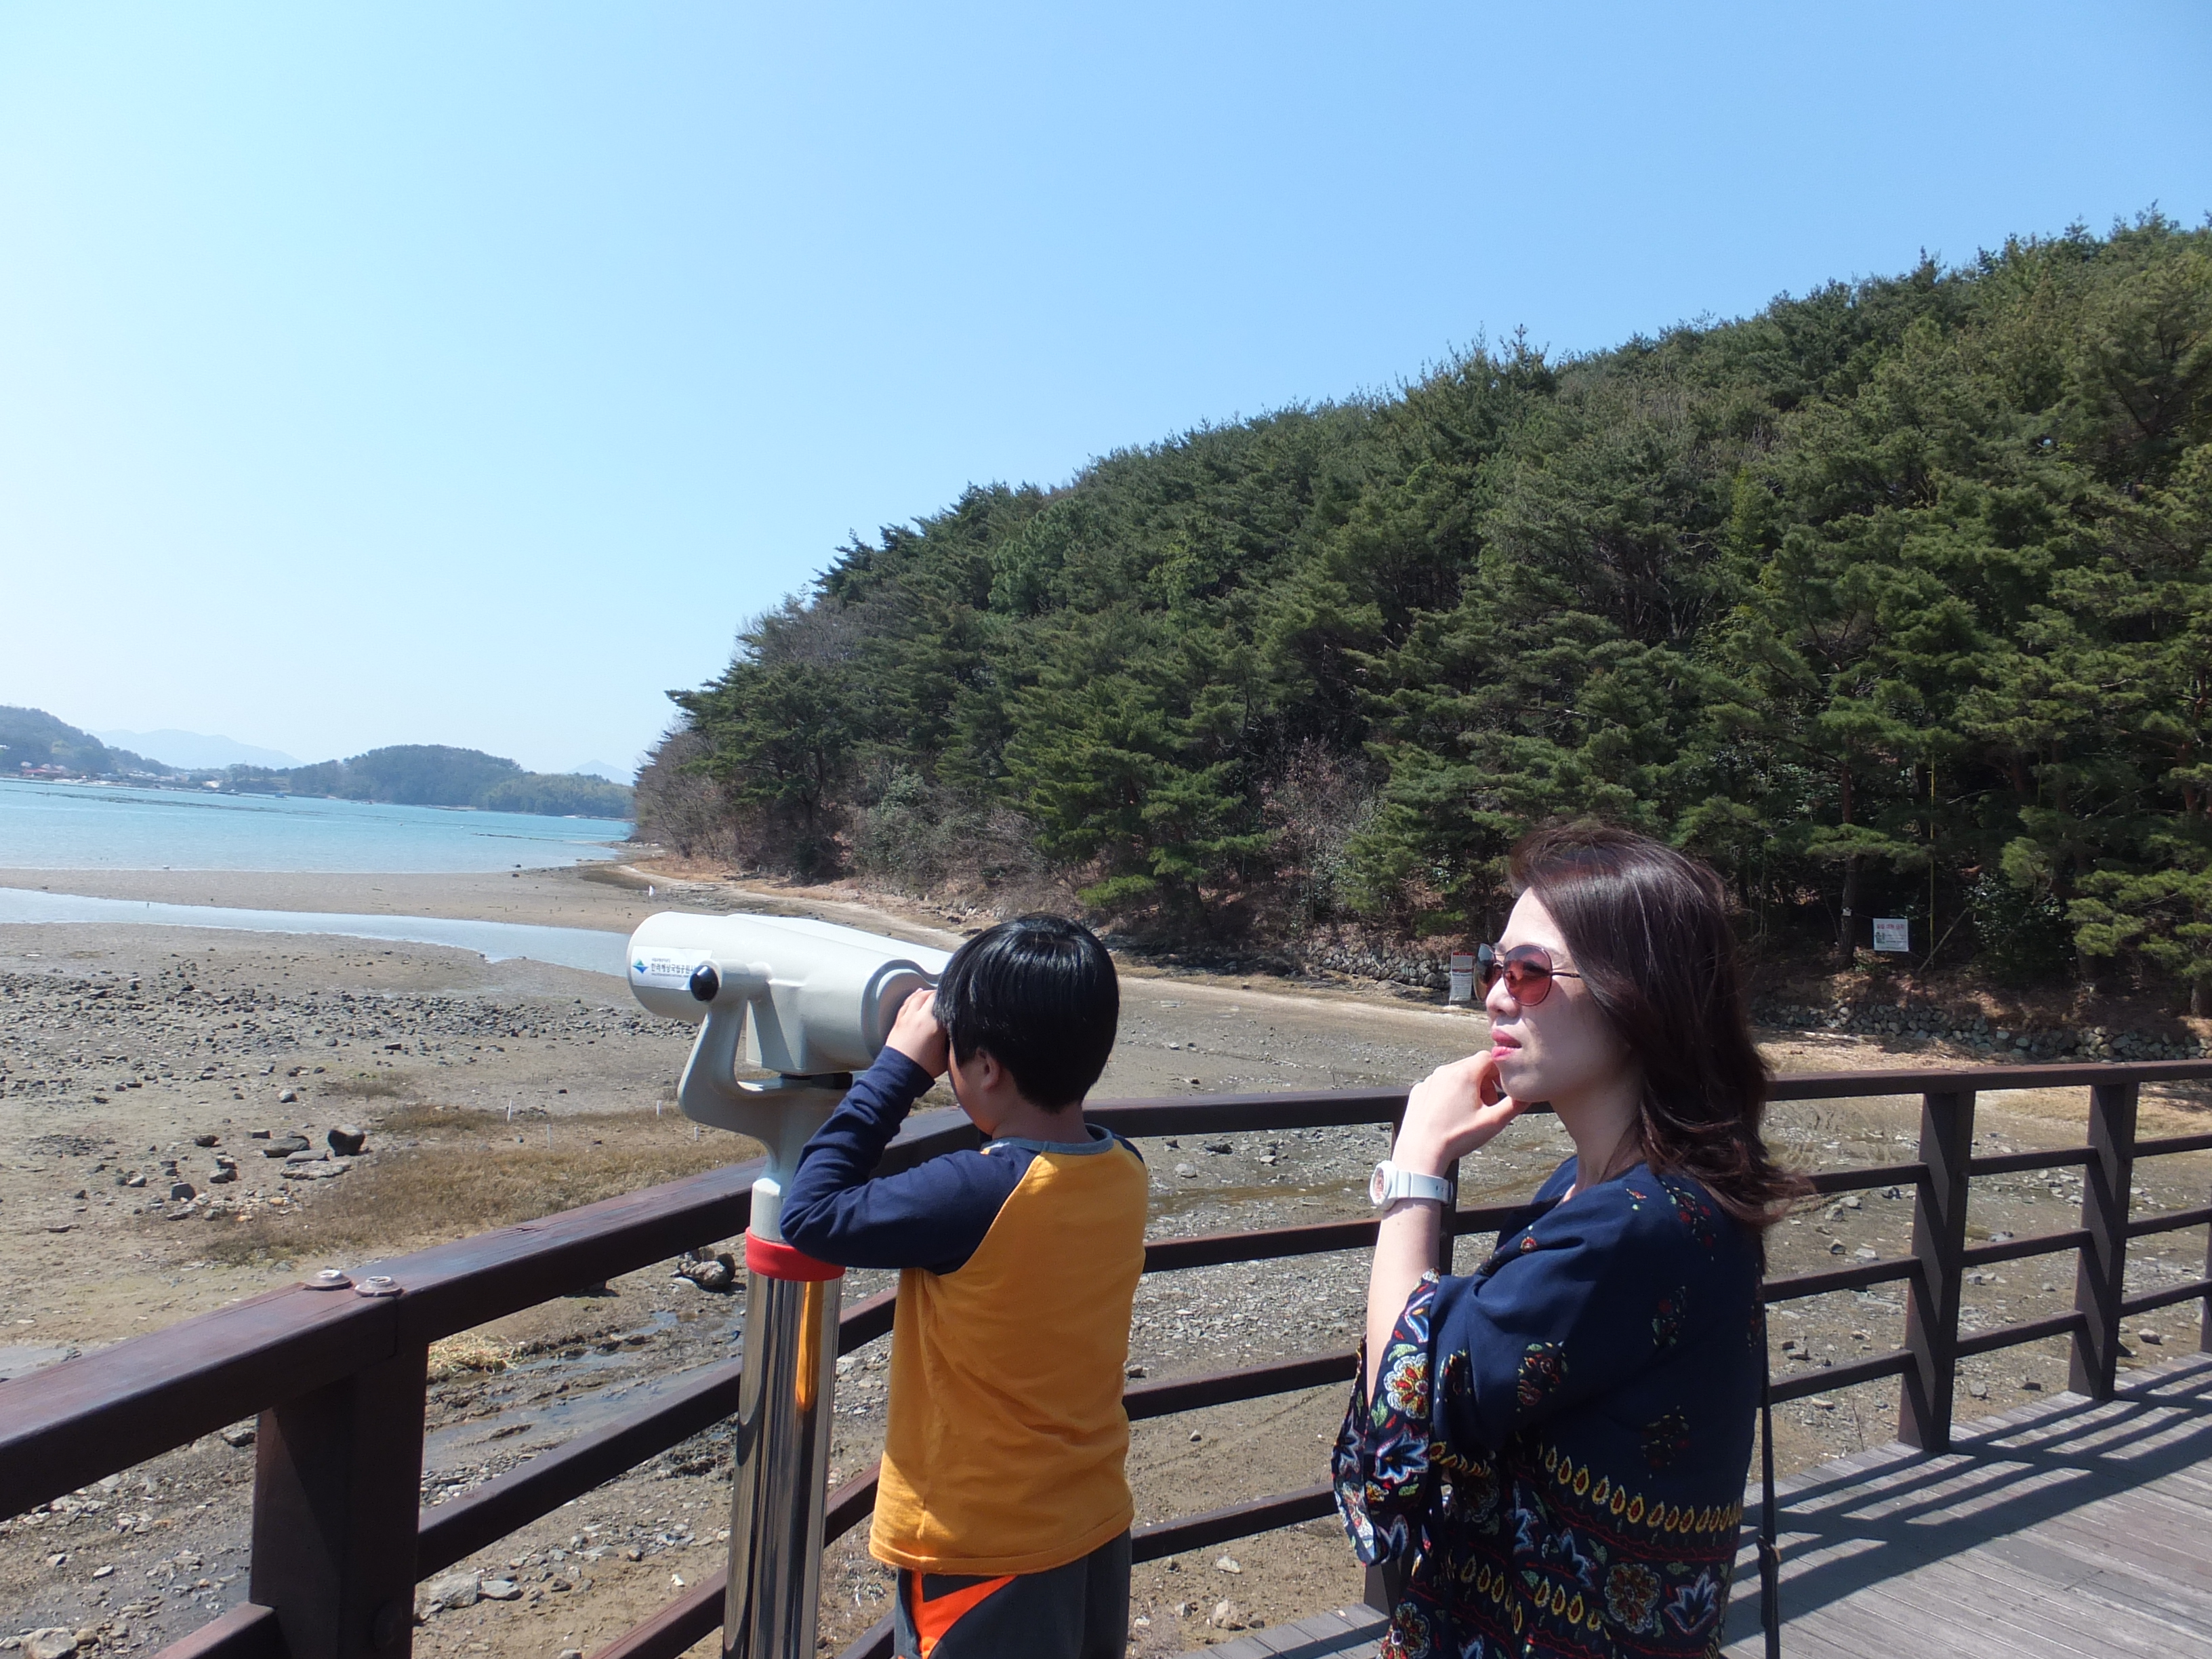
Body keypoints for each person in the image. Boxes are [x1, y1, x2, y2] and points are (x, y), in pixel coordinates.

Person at [1335, 825, 1800, 1658]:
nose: (1495, 996)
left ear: (1637, 999)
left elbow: (1404, 1411)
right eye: (1495, 965)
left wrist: (1414, 1171)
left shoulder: (1635, 1224)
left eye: (1531, 973)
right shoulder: (1629, 1188)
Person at [779, 914, 1146, 1659]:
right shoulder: (1122, 1168)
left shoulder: (976, 1194)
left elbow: (809, 1214)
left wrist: (896, 1071)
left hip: (984, 1549)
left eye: (952, 1055)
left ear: (985, 1069)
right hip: (1091, 1518)